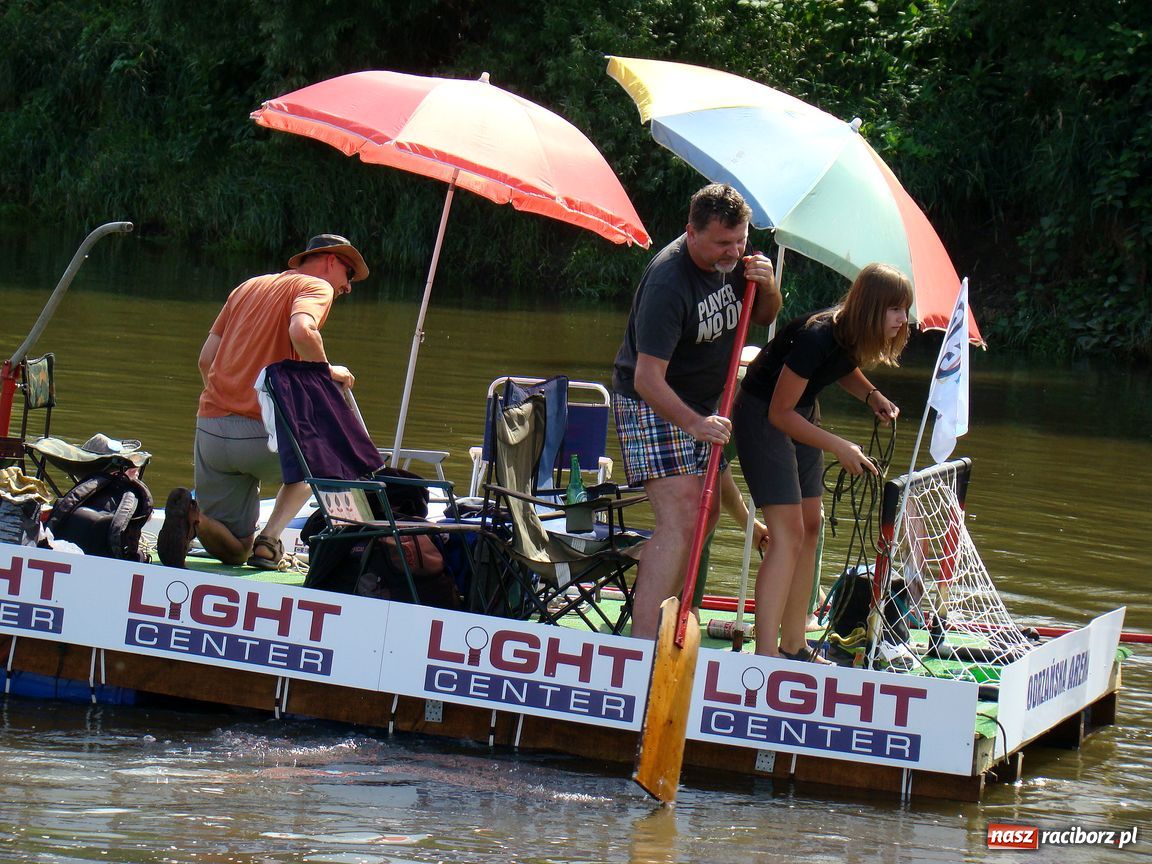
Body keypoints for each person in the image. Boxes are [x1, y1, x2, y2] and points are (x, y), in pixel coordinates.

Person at [612, 183, 781, 639]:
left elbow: (762, 317)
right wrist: (693, 423)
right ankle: (644, 644)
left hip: (705, 400)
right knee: (682, 517)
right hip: (654, 398)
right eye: (723, 243)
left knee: (703, 517)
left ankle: (670, 614)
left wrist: (768, 285)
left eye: (740, 239)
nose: (734, 251)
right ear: (691, 232)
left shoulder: (739, 262)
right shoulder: (670, 283)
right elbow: (647, 378)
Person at [732, 262, 911, 661]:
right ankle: (765, 654)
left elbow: (841, 367)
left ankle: (794, 642)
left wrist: (872, 395)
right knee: (788, 534)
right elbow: (779, 414)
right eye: (895, 309)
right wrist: (839, 446)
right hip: (764, 415)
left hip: (800, 410)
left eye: (905, 309)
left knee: (812, 525)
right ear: (871, 307)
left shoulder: (849, 335)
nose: (903, 319)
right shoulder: (817, 336)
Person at [157, 234, 369, 570]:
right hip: (262, 434)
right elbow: (302, 331)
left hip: (211, 429)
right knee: (330, 453)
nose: (348, 287)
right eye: (349, 274)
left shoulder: (247, 287)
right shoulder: (317, 287)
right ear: (331, 261)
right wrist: (326, 373)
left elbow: (205, 359)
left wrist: (226, 402)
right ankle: (269, 542)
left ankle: (193, 518)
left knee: (234, 550)